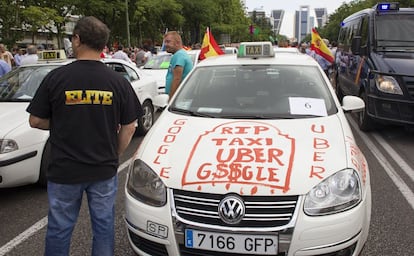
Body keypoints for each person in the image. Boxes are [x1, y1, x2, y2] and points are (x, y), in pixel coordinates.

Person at [26, 16, 142, 256]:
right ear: (103, 44)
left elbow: (35, 120)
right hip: (102, 168)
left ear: (77, 39)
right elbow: (130, 125)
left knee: (59, 227)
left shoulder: (56, 78)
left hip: (64, 170)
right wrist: (115, 154)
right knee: (103, 226)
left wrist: (62, 122)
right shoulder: (117, 82)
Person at [164, 31, 193, 99]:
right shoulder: (179, 54)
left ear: (177, 43)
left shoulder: (179, 55)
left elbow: (177, 78)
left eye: (168, 42)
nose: (165, 44)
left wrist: (170, 100)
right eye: (165, 42)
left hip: (180, 99)